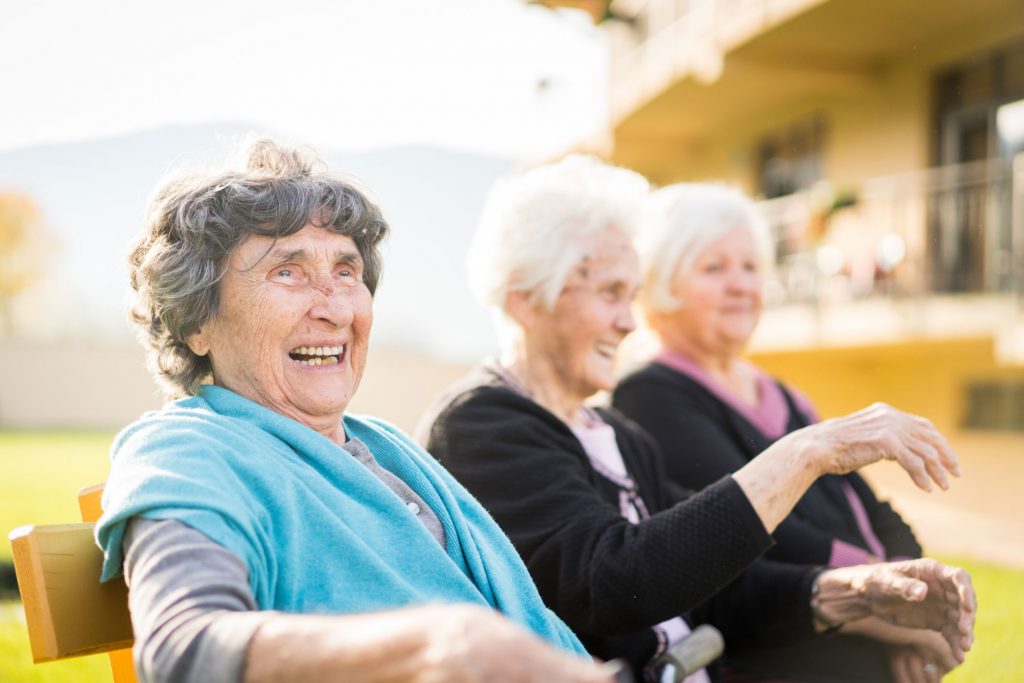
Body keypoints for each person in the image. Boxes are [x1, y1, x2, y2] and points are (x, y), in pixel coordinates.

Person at [418, 156, 975, 683]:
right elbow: (614, 582)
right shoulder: (483, 424)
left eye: (632, 295)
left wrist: (862, 593)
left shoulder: (619, 437)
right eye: (610, 293)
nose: (628, 321)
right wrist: (806, 452)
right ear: (526, 299)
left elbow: (716, 586)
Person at [94, 140, 620, 683]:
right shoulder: (188, 450)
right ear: (196, 322)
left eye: (347, 271)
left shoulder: (388, 447)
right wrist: (434, 647)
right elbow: (186, 648)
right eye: (287, 272)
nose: (337, 309)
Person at [611, 183, 928, 680]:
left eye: (750, 266)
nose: (740, 284)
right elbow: (757, 525)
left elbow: (869, 506)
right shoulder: (648, 393)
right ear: (662, 281)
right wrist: (888, 598)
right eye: (714, 268)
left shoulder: (785, 394)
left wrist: (916, 591)